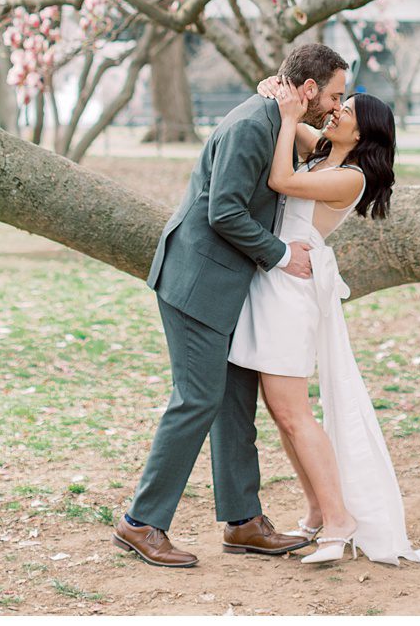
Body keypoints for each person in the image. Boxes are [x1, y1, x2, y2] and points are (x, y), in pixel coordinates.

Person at [114, 42, 348, 569]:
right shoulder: (251, 125)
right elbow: (224, 212)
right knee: (197, 399)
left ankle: (244, 521)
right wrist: (282, 255)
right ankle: (141, 523)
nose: (337, 105)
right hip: (196, 282)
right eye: (333, 94)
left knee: (235, 398)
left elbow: (312, 151)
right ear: (308, 89)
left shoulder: (277, 117)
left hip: (229, 286)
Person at [230, 77, 420, 566]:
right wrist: (277, 91)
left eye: (345, 109)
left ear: (363, 131)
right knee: (279, 408)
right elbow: (297, 118)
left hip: (293, 290)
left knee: (292, 411)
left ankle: (339, 520)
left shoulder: (352, 176)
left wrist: (289, 119)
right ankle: (314, 511)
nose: (335, 113)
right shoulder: (325, 150)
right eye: (337, 103)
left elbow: (280, 181)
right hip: (274, 278)